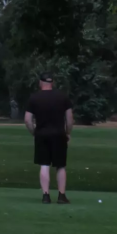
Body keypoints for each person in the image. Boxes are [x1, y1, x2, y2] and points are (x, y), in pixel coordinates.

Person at [24, 73, 73, 204]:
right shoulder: (63, 97)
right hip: (59, 134)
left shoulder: (34, 98)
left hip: (42, 134)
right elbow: (69, 119)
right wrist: (68, 132)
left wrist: (34, 132)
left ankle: (46, 195)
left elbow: (28, 120)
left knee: (44, 164)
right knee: (60, 165)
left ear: (41, 82)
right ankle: (61, 195)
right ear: (52, 82)